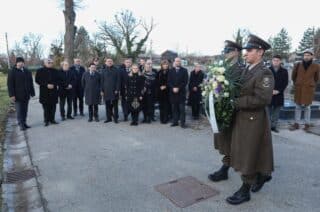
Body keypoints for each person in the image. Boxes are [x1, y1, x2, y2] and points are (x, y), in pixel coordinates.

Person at [226, 34, 275, 205]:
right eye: (245, 50)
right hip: (243, 117)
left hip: (254, 119)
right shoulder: (248, 69)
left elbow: (263, 99)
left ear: (260, 52)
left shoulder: (265, 72)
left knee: (249, 153)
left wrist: (237, 102)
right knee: (250, 151)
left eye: (249, 50)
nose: (245, 54)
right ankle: (263, 174)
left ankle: (245, 190)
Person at [208, 40, 244, 182]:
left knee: (235, 142)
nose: (225, 53)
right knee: (225, 141)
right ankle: (225, 168)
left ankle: (252, 174)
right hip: (223, 111)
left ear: (236, 51)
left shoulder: (241, 69)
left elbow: (241, 90)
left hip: (235, 111)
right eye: (224, 50)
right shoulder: (221, 67)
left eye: (228, 50)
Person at [290, 49, 320, 131]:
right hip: (299, 88)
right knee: (297, 106)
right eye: (305, 55)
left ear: (312, 56)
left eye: (308, 55)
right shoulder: (298, 64)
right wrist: (297, 83)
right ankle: (296, 124)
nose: (306, 57)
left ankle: (307, 124)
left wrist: (311, 84)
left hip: (309, 89)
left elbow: (317, 78)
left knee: (307, 107)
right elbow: (293, 76)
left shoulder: (316, 66)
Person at [7, 57, 35, 131]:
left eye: (22, 62)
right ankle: (21, 124)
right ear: (16, 63)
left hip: (26, 95)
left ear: (24, 63)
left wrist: (32, 92)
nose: (21, 63)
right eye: (19, 62)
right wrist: (12, 95)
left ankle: (24, 123)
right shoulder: (12, 71)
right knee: (19, 111)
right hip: (17, 95)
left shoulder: (27, 71)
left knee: (25, 110)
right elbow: (10, 84)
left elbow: (30, 82)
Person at [35, 59, 60, 126]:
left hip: (53, 91)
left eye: (51, 62)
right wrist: (46, 85)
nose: (50, 63)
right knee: (46, 108)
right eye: (48, 62)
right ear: (45, 63)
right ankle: (46, 120)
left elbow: (59, 80)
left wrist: (54, 85)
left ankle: (52, 119)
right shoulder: (40, 71)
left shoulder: (56, 71)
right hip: (44, 92)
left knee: (53, 107)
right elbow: (37, 80)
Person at [268, 55, 288, 133]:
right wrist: (270, 90)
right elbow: (265, 82)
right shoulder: (267, 70)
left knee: (276, 112)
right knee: (268, 112)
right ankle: (268, 127)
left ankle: (273, 126)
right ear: (272, 61)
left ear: (280, 61)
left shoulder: (284, 71)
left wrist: (279, 91)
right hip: (269, 94)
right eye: (274, 60)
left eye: (277, 60)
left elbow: (285, 83)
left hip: (279, 94)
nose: (275, 62)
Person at [167, 57, 189, 128]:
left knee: (182, 109)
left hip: (181, 93)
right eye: (176, 61)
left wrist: (178, 88)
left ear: (180, 62)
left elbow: (185, 81)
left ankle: (183, 123)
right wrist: (173, 88)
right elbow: (169, 81)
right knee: (174, 109)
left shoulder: (184, 70)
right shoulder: (170, 71)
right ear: (174, 62)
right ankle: (175, 122)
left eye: (179, 61)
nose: (178, 62)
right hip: (173, 93)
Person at [101, 58, 120, 123]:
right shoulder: (103, 71)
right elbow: (102, 81)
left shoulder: (116, 70)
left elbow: (118, 81)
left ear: (113, 62)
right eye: (108, 61)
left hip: (114, 90)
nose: (109, 62)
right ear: (105, 62)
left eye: (111, 61)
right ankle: (108, 118)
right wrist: (101, 90)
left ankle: (116, 118)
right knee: (107, 105)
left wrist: (117, 89)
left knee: (115, 106)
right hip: (106, 91)